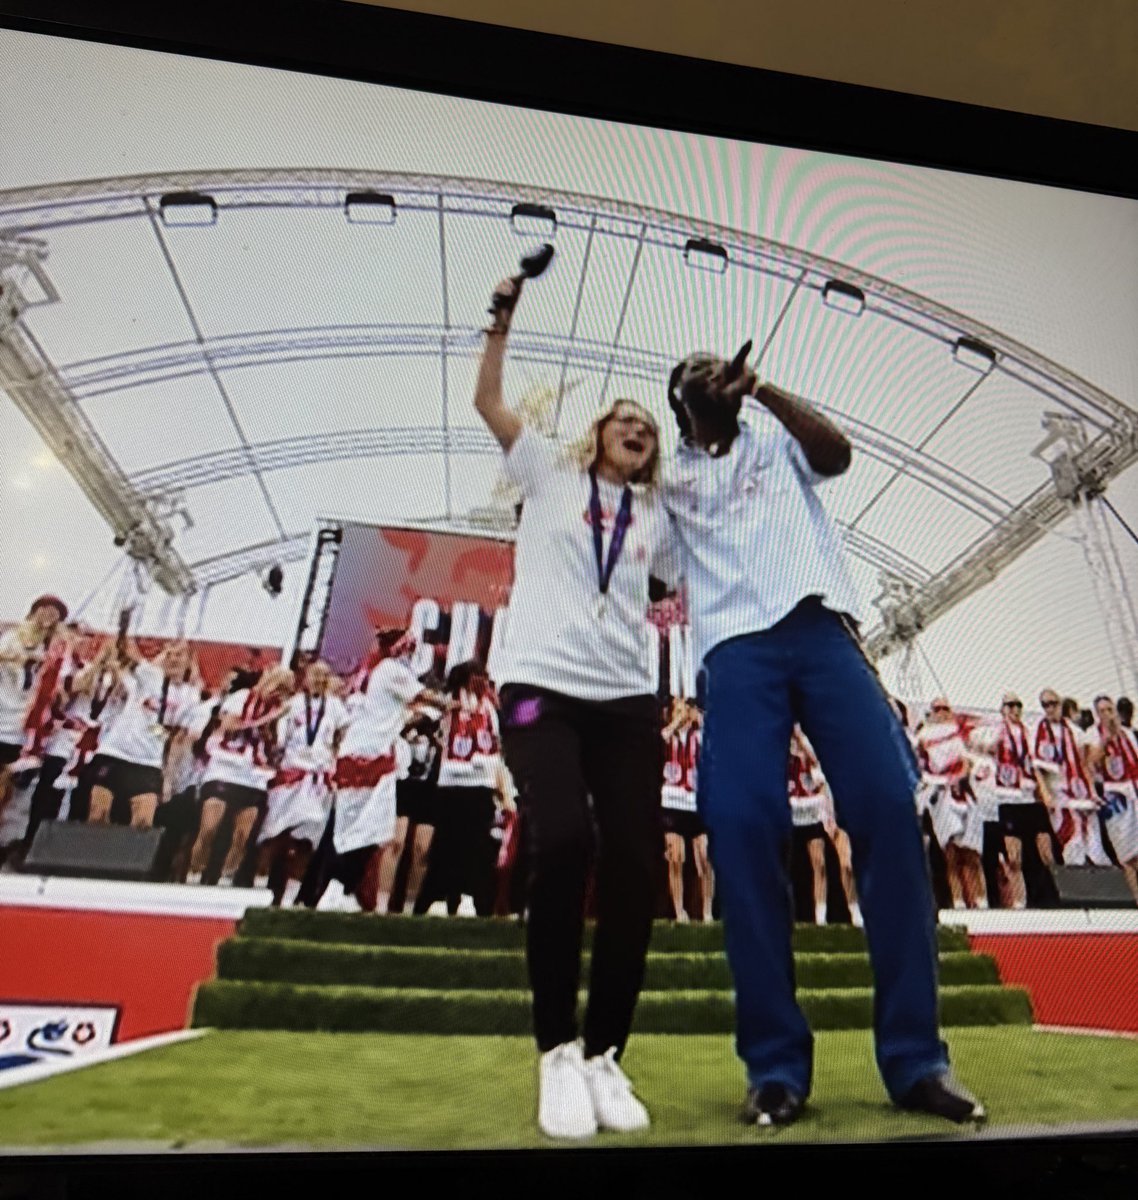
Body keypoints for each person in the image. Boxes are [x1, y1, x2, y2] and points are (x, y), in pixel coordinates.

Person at [658, 345, 984, 1127]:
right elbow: (645, 573)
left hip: (822, 630)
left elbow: (836, 455)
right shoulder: (670, 482)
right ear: (681, 405)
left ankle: (916, 1061)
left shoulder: (773, 435)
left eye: (721, 366)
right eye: (697, 374)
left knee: (886, 814)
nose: (714, 371)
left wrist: (762, 389)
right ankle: (774, 1067)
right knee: (738, 831)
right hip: (735, 654)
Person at [473, 273, 679, 1140]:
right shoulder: (549, 473)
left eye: (650, 426)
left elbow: (687, 577)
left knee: (637, 865)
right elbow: (488, 401)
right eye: (625, 417)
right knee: (562, 841)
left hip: (629, 702)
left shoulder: (662, 514)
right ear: (597, 432)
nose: (638, 427)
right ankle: (556, 1051)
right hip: (539, 692)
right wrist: (503, 319)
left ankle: (604, 1056)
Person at [305, 628, 440, 913]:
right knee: (365, 828)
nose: (411, 655)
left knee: (352, 827)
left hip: (363, 757)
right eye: (408, 649)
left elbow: (401, 712)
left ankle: (329, 888)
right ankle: (337, 886)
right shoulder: (391, 669)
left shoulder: (373, 675)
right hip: (368, 761)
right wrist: (454, 704)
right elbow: (427, 697)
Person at [414, 661, 510, 918]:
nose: (482, 681)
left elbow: (498, 743)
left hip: (481, 782)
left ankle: (473, 899)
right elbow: (421, 718)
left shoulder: (489, 707)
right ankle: (436, 897)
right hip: (451, 782)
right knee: (446, 843)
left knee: (477, 844)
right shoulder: (449, 702)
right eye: (478, 676)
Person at [187, 665, 295, 884]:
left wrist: (272, 723)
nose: (277, 692)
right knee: (209, 828)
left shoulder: (282, 714)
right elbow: (229, 726)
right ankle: (194, 876)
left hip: (254, 777)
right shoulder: (242, 697)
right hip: (224, 769)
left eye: (284, 689)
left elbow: (275, 747)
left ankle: (225, 881)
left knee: (241, 837)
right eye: (276, 685)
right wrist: (266, 718)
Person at [257, 660, 349, 906]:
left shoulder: (336, 707)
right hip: (292, 776)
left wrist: (333, 761)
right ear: (305, 678)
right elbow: (277, 741)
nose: (319, 680)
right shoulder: (294, 705)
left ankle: (289, 897)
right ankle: (262, 889)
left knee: (307, 842)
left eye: (324, 675)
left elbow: (341, 737)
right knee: (275, 834)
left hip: (318, 781)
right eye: (315, 675)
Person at [87, 634, 196, 830]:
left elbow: (176, 739)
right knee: (97, 817)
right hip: (115, 753)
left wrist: (168, 777)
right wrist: (124, 628)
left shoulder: (190, 695)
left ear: (189, 661)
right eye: (169, 654)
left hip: (148, 762)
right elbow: (129, 652)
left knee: (143, 825)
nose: (173, 659)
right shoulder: (151, 676)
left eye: (179, 655)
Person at [22, 631, 118, 849]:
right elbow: (77, 685)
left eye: (90, 638)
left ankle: (64, 851)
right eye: (81, 638)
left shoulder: (110, 678)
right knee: (46, 800)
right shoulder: (68, 669)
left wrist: (112, 663)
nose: (86, 643)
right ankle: (31, 845)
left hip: (91, 748)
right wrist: (99, 661)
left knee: (80, 803)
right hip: (62, 744)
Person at [0, 596, 69, 843]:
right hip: (2, 716)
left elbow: (59, 686)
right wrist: (19, 659)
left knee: (9, 789)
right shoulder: (13, 637)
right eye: (46, 610)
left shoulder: (55, 649)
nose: (49, 617)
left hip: (23, 728)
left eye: (55, 615)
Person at [914, 699, 988, 910]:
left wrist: (960, 774)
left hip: (966, 796)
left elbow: (971, 760)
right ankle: (959, 903)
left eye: (945, 708)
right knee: (951, 854)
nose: (942, 713)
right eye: (937, 709)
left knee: (972, 854)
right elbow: (921, 767)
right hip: (942, 799)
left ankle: (981, 903)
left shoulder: (960, 733)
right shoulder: (924, 737)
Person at [986, 693, 1054, 909]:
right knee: (1014, 856)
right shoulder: (997, 730)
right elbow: (986, 747)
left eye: (1018, 705)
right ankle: (1019, 902)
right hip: (1008, 797)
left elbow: (1035, 764)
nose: (1015, 709)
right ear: (1003, 708)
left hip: (1029, 796)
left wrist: (1044, 793)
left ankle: (1050, 898)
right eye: (1010, 705)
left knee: (1045, 852)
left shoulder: (1029, 731)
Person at [1034, 688, 1110, 867]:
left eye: (1053, 703)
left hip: (1081, 791)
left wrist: (1092, 791)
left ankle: (1101, 878)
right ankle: (1080, 883)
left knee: (1092, 838)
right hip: (1059, 794)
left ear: (1060, 704)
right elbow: (1037, 767)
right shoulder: (1038, 730)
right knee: (1071, 840)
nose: (1050, 708)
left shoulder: (1073, 730)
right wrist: (1045, 794)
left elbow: (1085, 763)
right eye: (1046, 705)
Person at [660, 698, 711, 923]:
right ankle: (680, 912)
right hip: (672, 802)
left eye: (686, 709)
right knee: (676, 858)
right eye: (679, 710)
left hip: (697, 803)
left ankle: (707, 911)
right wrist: (675, 723)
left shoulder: (698, 736)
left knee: (704, 857)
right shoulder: (666, 736)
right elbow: (657, 740)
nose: (684, 714)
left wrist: (701, 719)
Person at [1086, 695, 1138, 906]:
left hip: (1134, 789)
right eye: (1103, 711)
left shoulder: (1127, 733)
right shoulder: (1093, 734)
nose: (1108, 714)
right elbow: (1090, 763)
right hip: (1115, 796)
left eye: (1111, 709)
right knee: (1127, 856)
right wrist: (1106, 738)